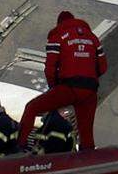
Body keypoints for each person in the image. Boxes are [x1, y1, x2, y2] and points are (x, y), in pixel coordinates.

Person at [18, 10, 107, 151]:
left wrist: (54, 87)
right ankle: (87, 158)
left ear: (60, 23)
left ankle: (19, 146)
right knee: (86, 131)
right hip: (90, 89)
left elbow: (50, 69)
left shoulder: (57, 36)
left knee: (31, 108)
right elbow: (103, 67)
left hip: (69, 87)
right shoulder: (93, 38)